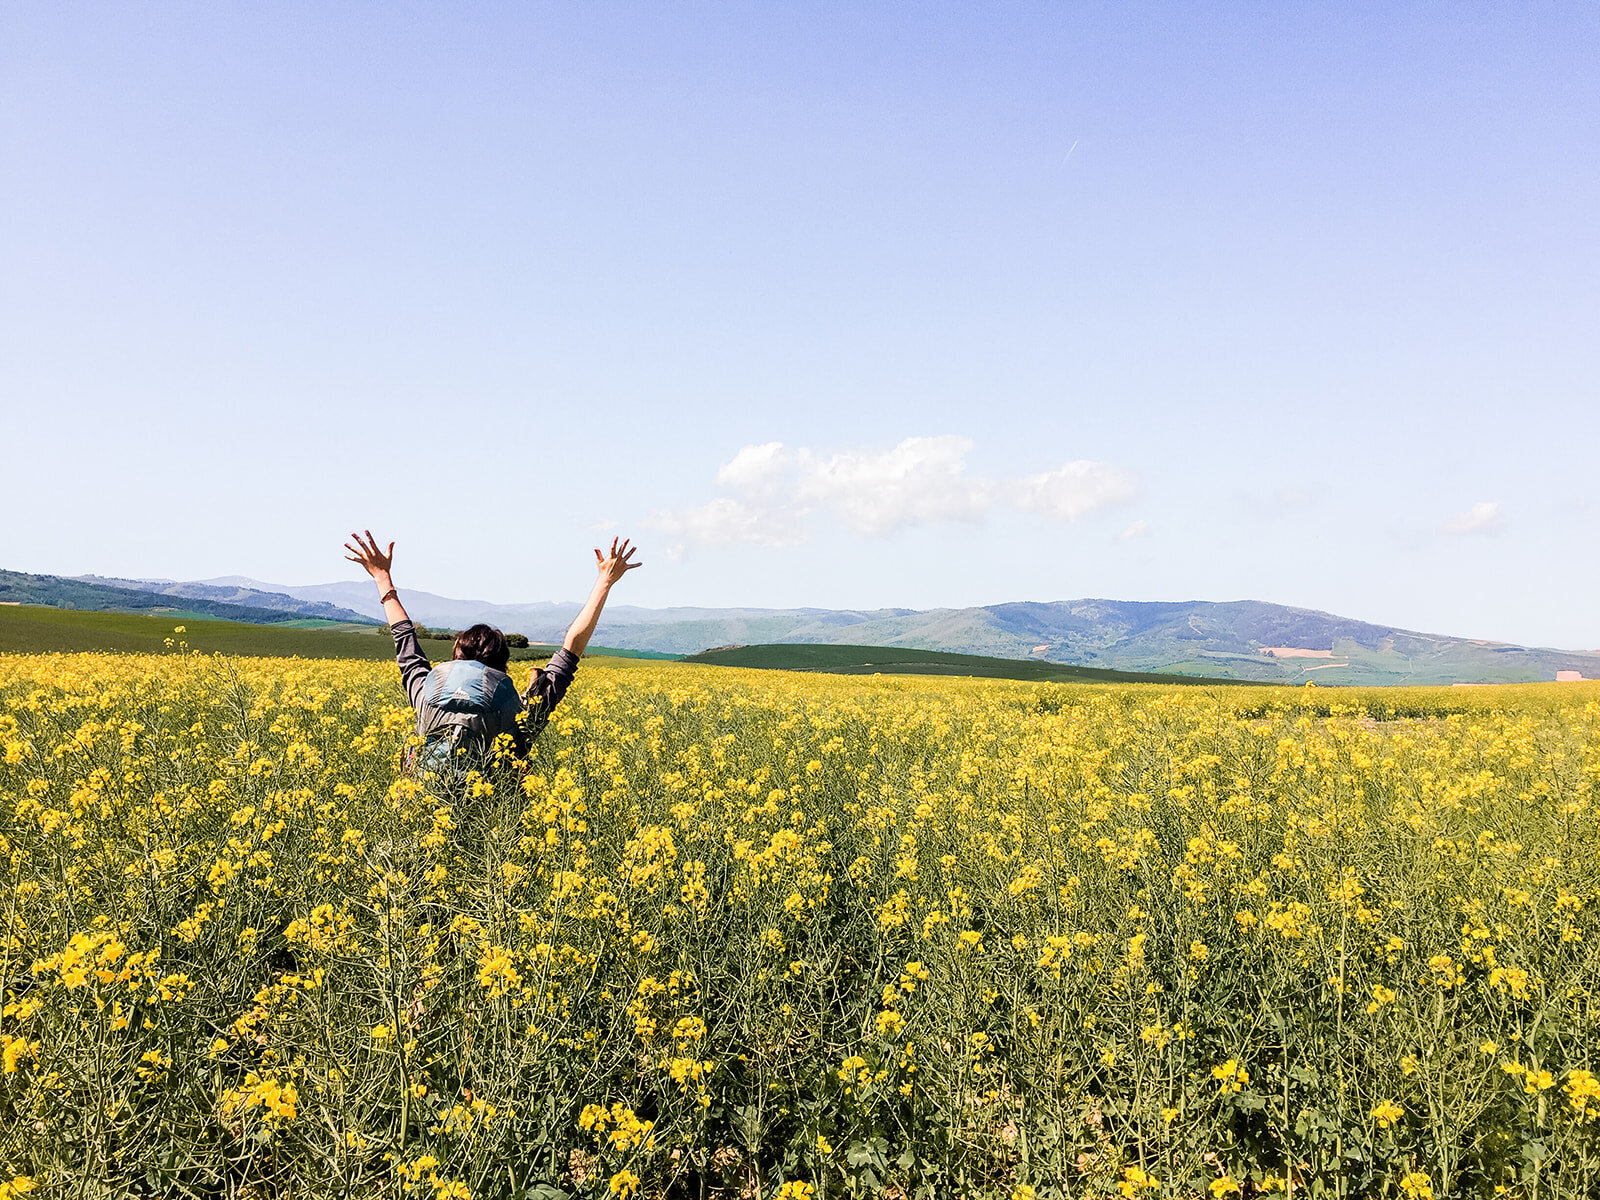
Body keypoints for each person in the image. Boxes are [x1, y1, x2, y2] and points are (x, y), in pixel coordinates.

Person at [343, 530, 641, 771]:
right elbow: (571, 648)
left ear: (455, 658)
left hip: (427, 809)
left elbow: (405, 640)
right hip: (496, 828)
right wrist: (605, 582)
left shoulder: (425, 693)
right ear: (502, 667)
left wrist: (383, 579)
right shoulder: (518, 711)